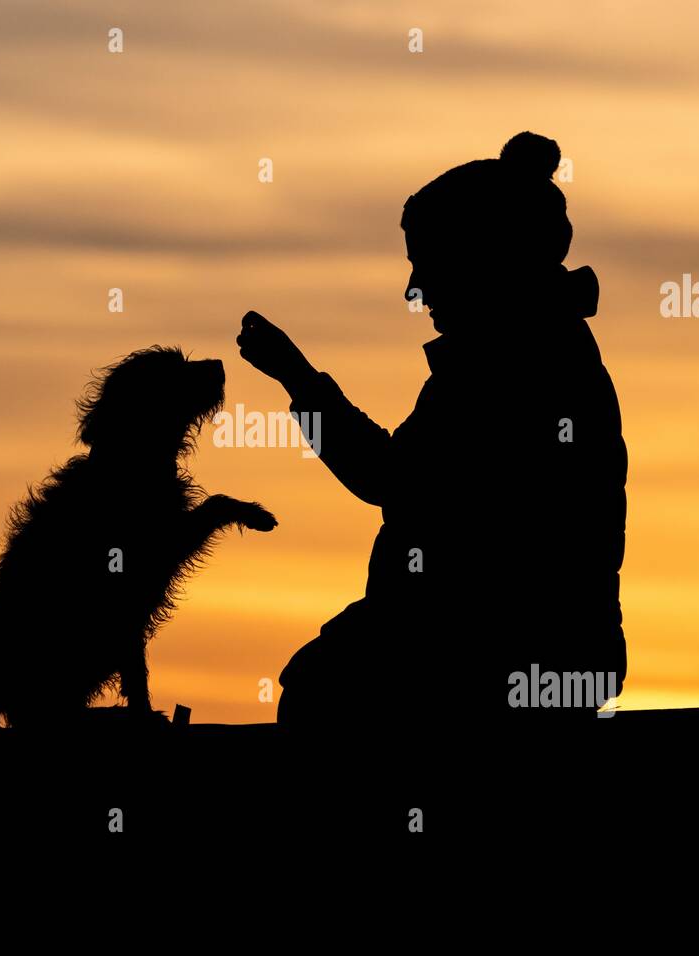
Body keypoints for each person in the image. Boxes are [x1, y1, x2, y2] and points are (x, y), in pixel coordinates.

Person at [237, 131, 627, 734]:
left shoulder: (513, 363)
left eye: (427, 264)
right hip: (538, 658)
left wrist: (297, 378)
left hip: (499, 664)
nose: (413, 290)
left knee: (323, 690)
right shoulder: (525, 352)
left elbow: (391, 479)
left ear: (479, 258)